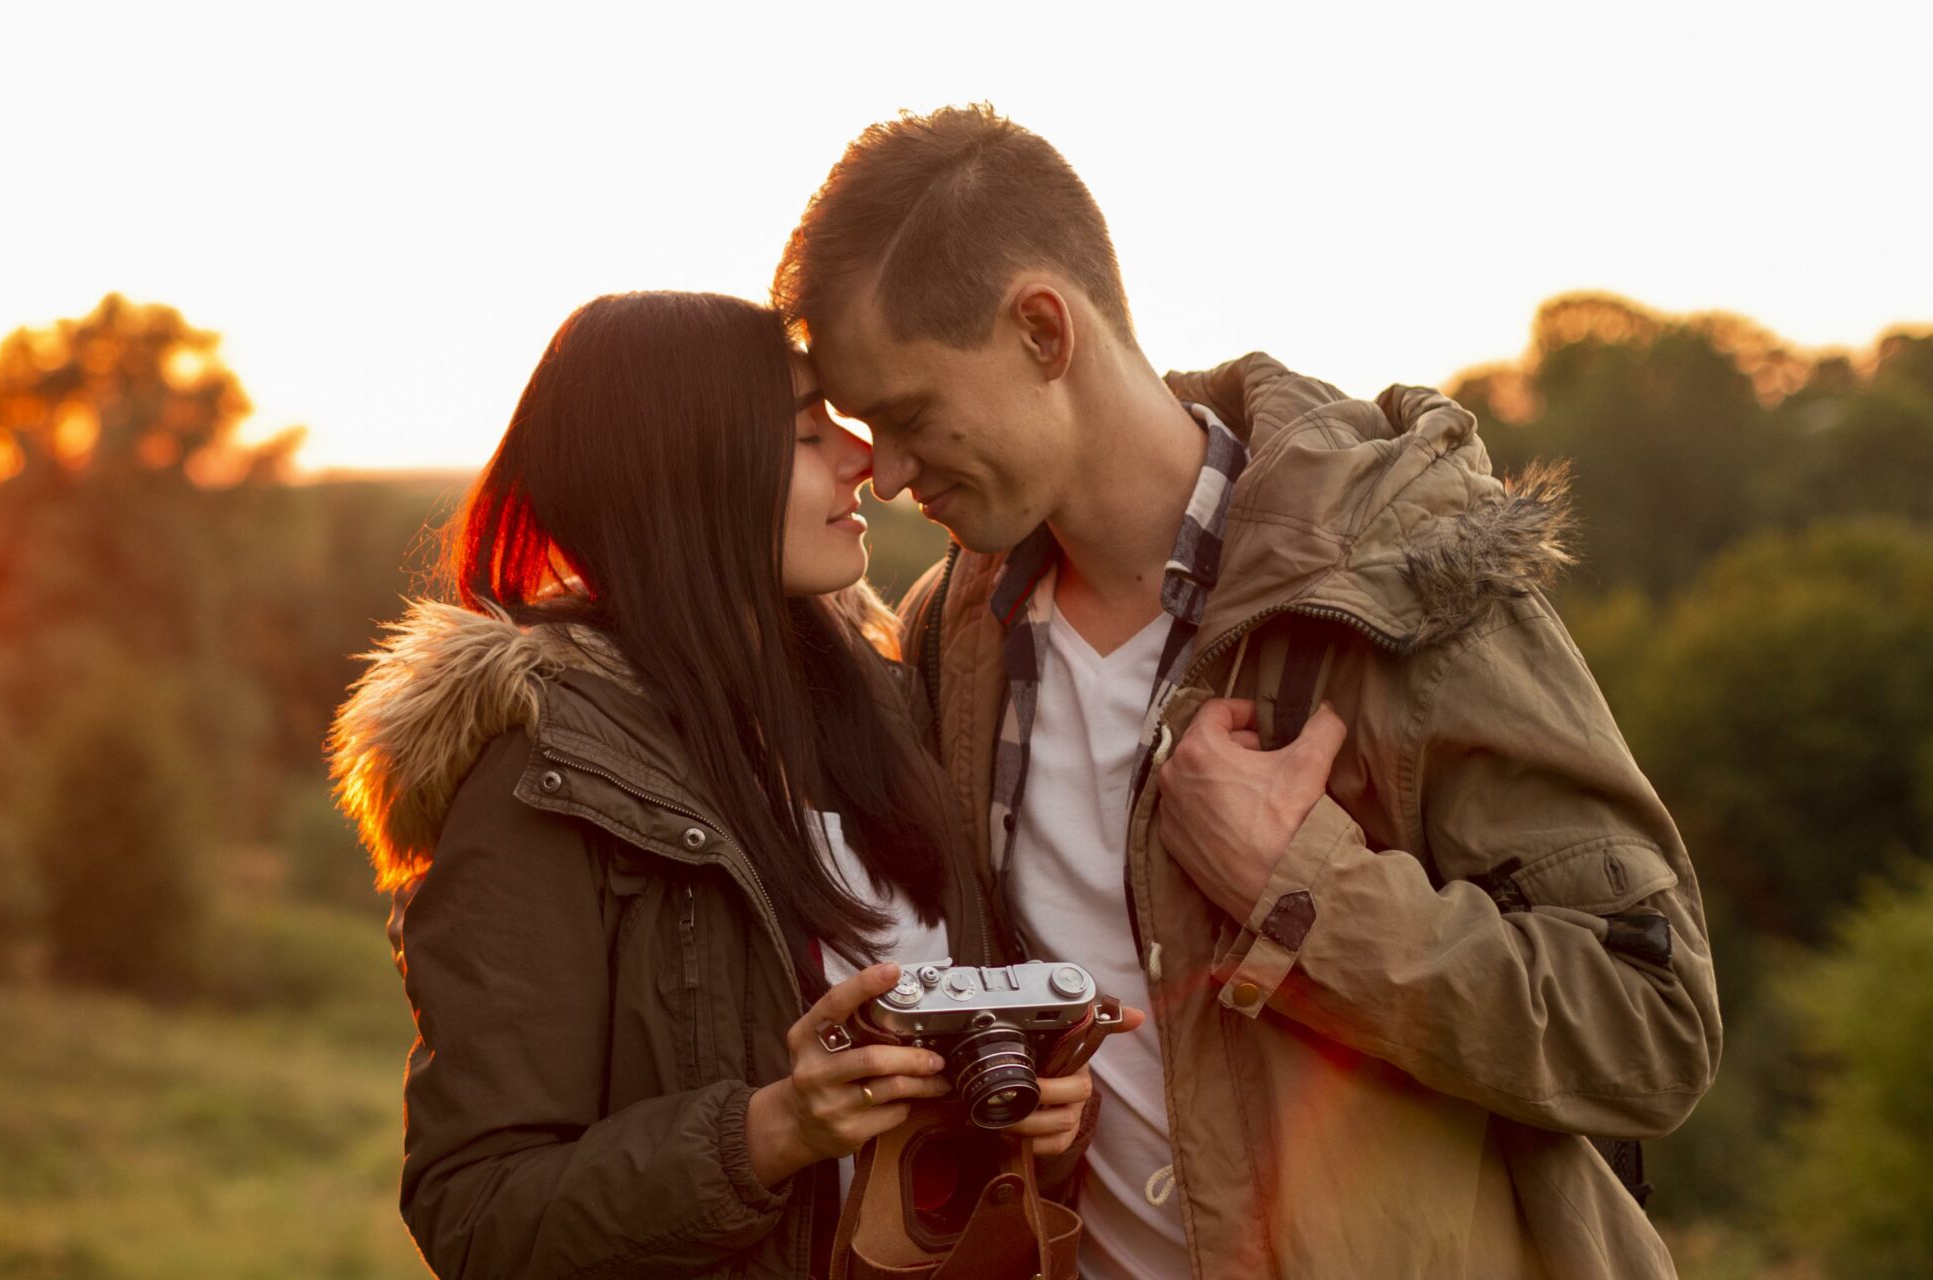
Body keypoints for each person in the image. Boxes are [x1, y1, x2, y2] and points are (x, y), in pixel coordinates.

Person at [770, 105, 1722, 1279]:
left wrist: (1300, 889)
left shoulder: (1399, 585)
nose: (893, 470)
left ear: (1040, 329)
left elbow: (1652, 1025)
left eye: (910, 416)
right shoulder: (952, 638)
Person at [326, 291, 1124, 1279]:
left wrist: (1037, 1110)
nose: (861, 456)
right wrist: (767, 1131)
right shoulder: (545, 776)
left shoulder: (889, 715)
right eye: (802, 432)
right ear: (685, 478)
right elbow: (479, 1214)